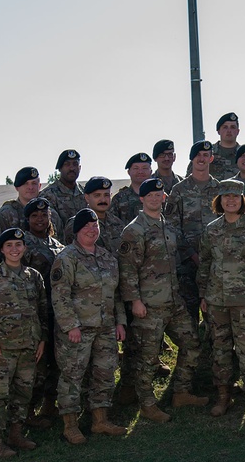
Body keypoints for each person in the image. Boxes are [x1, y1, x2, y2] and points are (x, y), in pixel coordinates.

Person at [118, 177, 208, 423]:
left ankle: (181, 391)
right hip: (148, 305)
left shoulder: (168, 227)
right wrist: (135, 301)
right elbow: (127, 270)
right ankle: (147, 404)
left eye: (159, 195)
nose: (156, 198)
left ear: (164, 198)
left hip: (173, 301)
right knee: (147, 358)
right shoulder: (134, 230)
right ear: (142, 199)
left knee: (191, 345)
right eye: (151, 195)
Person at [197, 179, 245, 422]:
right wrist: (203, 294)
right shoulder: (211, 229)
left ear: (243, 200)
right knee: (220, 350)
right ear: (218, 200)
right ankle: (224, 396)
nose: (231, 200)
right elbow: (205, 263)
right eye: (226, 196)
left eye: (235, 196)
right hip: (217, 301)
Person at [51, 209, 129, 444]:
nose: (92, 230)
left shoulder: (107, 257)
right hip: (78, 330)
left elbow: (116, 294)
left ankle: (100, 420)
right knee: (72, 376)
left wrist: (120, 322)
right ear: (77, 231)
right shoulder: (67, 258)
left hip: (105, 327)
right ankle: (70, 425)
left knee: (104, 373)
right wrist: (70, 325)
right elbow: (60, 296)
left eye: (95, 227)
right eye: (86, 227)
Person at [0, 228, 48, 457]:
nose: (14, 250)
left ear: (24, 248)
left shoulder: (33, 276)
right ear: (2, 249)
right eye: (9, 246)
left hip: (29, 345)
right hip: (2, 347)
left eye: (18, 245)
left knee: (23, 392)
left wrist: (42, 339)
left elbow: (43, 310)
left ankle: (16, 434)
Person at [166, 141, 221, 327]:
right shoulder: (179, 190)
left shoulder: (219, 190)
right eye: (198, 155)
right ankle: (193, 350)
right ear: (192, 158)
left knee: (214, 312)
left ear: (211, 158)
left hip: (214, 260)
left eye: (206, 155)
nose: (202, 158)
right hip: (186, 261)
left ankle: (212, 347)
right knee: (189, 312)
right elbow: (172, 226)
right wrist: (191, 254)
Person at [21, 197, 64, 428]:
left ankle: (49, 404)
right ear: (27, 219)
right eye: (35, 216)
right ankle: (27, 412)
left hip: (57, 312)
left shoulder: (57, 244)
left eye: (43, 215)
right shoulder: (22, 244)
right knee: (34, 366)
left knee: (55, 361)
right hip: (34, 313)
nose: (40, 219)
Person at [0, 166, 63, 236]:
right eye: (26, 184)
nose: (30, 187)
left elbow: (60, 242)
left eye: (34, 183)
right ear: (17, 187)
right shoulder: (5, 215)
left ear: (40, 186)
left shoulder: (51, 215)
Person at [39, 149, 85, 227]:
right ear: (60, 168)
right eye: (67, 164)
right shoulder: (47, 195)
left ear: (79, 168)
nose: (72, 168)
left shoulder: (86, 193)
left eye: (75, 164)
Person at [109, 152, 153, 226]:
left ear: (151, 171)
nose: (140, 172)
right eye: (136, 168)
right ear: (129, 172)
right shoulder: (119, 199)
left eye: (144, 168)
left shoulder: (159, 197)